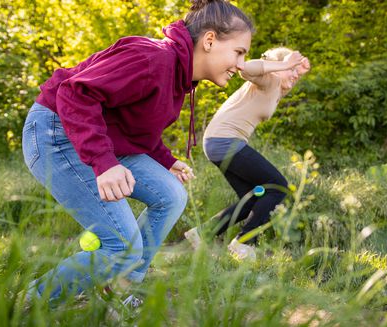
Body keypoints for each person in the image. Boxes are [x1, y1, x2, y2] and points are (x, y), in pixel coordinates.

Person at [22, 0, 253, 302]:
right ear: (210, 40)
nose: (240, 64)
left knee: (171, 195)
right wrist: (104, 164)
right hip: (55, 132)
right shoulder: (151, 58)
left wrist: (165, 160)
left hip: (91, 134)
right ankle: (15, 307)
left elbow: (131, 126)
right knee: (121, 247)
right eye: (239, 52)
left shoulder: (178, 78)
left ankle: (118, 288)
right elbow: (75, 93)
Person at [184, 47, 310, 259]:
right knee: (278, 188)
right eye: (291, 70)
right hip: (225, 141)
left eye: (297, 72)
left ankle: (202, 234)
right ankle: (243, 243)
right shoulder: (269, 79)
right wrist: (285, 64)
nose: (295, 75)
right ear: (278, 67)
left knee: (253, 196)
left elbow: (281, 83)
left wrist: (295, 69)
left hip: (220, 143)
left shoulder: (276, 88)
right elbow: (244, 68)